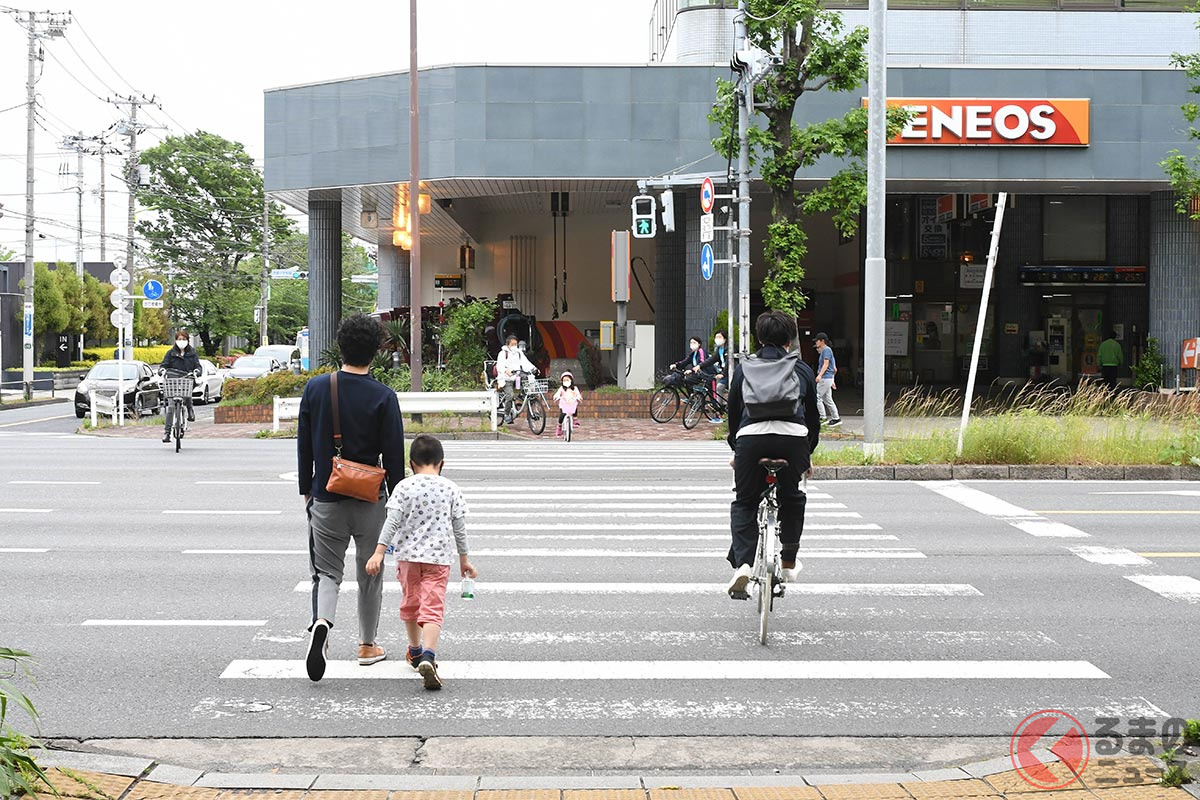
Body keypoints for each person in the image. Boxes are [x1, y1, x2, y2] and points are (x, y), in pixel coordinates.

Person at [298, 313, 406, 682]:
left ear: (340, 347)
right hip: (371, 499)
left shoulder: (316, 389)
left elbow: (304, 446)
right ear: (376, 351)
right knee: (370, 573)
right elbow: (394, 458)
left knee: (326, 572)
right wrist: (397, 504)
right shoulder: (384, 396)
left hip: (326, 495)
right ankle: (366, 645)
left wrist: (307, 490)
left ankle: (322, 623)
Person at [366, 434, 477, 691]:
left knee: (411, 602)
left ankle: (415, 651)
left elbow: (391, 522)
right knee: (432, 607)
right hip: (438, 560)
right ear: (442, 463)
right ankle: (429, 655)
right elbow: (459, 528)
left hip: (408, 559)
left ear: (411, 464)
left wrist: (379, 553)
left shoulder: (403, 487)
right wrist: (465, 560)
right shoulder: (451, 488)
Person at [725, 311, 820, 597]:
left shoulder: (745, 368)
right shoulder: (801, 369)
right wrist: (807, 453)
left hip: (751, 439)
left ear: (759, 338)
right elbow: (813, 418)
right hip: (793, 440)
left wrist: (737, 449)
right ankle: (788, 559)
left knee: (745, 502)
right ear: (789, 339)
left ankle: (743, 565)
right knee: (792, 497)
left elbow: (733, 413)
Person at [159, 331, 201, 443]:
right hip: (172, 381)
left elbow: (198, 366)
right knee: (171, 407)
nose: (181, 341)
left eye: (184, 339)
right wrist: (162, 370)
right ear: (176, 340)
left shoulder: (192, 353)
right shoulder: (170, 353)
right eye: (179, 339)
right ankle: (167, 433)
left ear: (187, 340)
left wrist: (197, 371)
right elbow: (164, 365)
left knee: (187, 394)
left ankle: (190, 409)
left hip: (186, 379)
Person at [495, 334, 537, 424]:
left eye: (516, 344)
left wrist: (534, 369)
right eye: (512, 344)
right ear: (508, 345)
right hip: (506, 379)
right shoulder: (503, 353)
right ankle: (506, 414)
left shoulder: (519, 353)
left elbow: (525, 363)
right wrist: (506, 371)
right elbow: (500, 366)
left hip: (517, 378)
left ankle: (526, 404)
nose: (515, 346)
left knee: (525, 386)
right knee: (510, 395)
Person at [812, 332, 841, 428]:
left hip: (825, 378)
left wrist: (819, 375)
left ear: (822, 341)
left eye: (817, 341)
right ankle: (836, 418)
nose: (816, 343)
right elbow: (834, 369)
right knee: (828, 399)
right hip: (828, 378)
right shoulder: (828, 350)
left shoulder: (826, 350)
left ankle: (822, 417)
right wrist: (832, 380)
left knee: (817, 397)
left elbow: (826, 364)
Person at [553, 370, 583, 437]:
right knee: (562, 414)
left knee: (575, 407)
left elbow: (578, 394)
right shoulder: (561, 388)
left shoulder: (575, 388)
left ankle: (575, 419)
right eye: (564, 380)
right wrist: (557, 397)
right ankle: (559, 427)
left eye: (567, 380)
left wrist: (579, 397)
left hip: (572, 403)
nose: (566, 381)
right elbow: (557, 394)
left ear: (571, 380)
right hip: (564, 404)